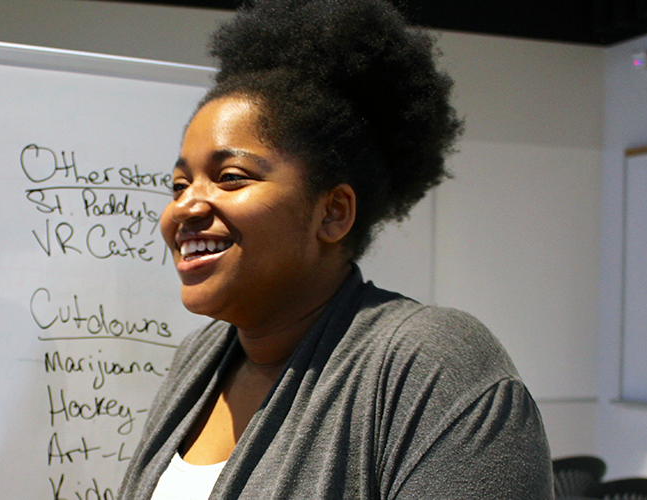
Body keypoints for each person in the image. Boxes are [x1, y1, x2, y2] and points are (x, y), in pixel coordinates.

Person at [117, 0, 554, 499]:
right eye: (178, 184)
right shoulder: (198, 359)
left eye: (230, 178)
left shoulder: (432, 366)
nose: (185, 207)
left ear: (333, 212)